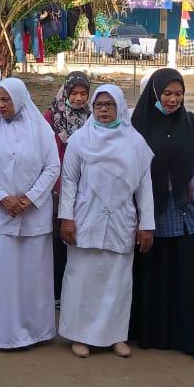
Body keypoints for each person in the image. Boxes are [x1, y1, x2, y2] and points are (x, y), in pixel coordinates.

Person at [57, 85, 154, 358]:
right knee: (82, 280)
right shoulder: (80, 140)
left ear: (120, 107)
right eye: (99, 105)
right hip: (86, 218)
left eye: (109, 105)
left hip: (121, 219)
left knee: (117, 282)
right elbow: (69, 181)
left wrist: (146, 224)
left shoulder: (135, 143)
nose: (103, 110)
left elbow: (144, 186)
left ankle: (114, 336)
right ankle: (80, 336)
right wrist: (67, 218)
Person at [0, 77, 61, 349]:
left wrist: (30, 198)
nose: (0, 105)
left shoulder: (41, 130)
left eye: (5, 99)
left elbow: (52, 167)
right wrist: (3, 198)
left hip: (32, 217)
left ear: (19, 99)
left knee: (31, 279)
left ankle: (33, 332)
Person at [128, 68, 194, 363]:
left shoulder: (192, 123)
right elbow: (132, 172)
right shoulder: (137, 125)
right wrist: (138, 215)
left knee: (190, 278)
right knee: (155, 275)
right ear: (155, 93)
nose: (173, 99)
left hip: (188, 212)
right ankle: (154, 335)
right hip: (152, 213)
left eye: (178, 94)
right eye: (167, 93)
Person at [43, 72, 92, 302]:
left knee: (80, 237)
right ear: (66, 93)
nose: (79, 98)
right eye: (74, 93)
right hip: (57, 187)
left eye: (83, 93)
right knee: (58, 239)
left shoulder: (93, 118)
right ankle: (56, 292)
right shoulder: (51, 118)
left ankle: (77, 291)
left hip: (85, 187)